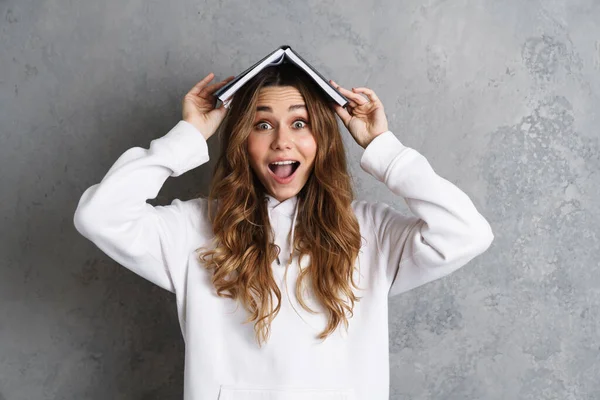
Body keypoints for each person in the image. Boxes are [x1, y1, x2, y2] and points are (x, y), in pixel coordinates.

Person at [73, 63, 494, 400]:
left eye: (300, 123)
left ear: (323, 138)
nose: (281, 141)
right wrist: (187, 136)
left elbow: (467, 233)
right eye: (262, 124)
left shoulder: (369, 231)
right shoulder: (194, 229)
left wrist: (383, 147)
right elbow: (100, 215)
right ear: (242, 141)